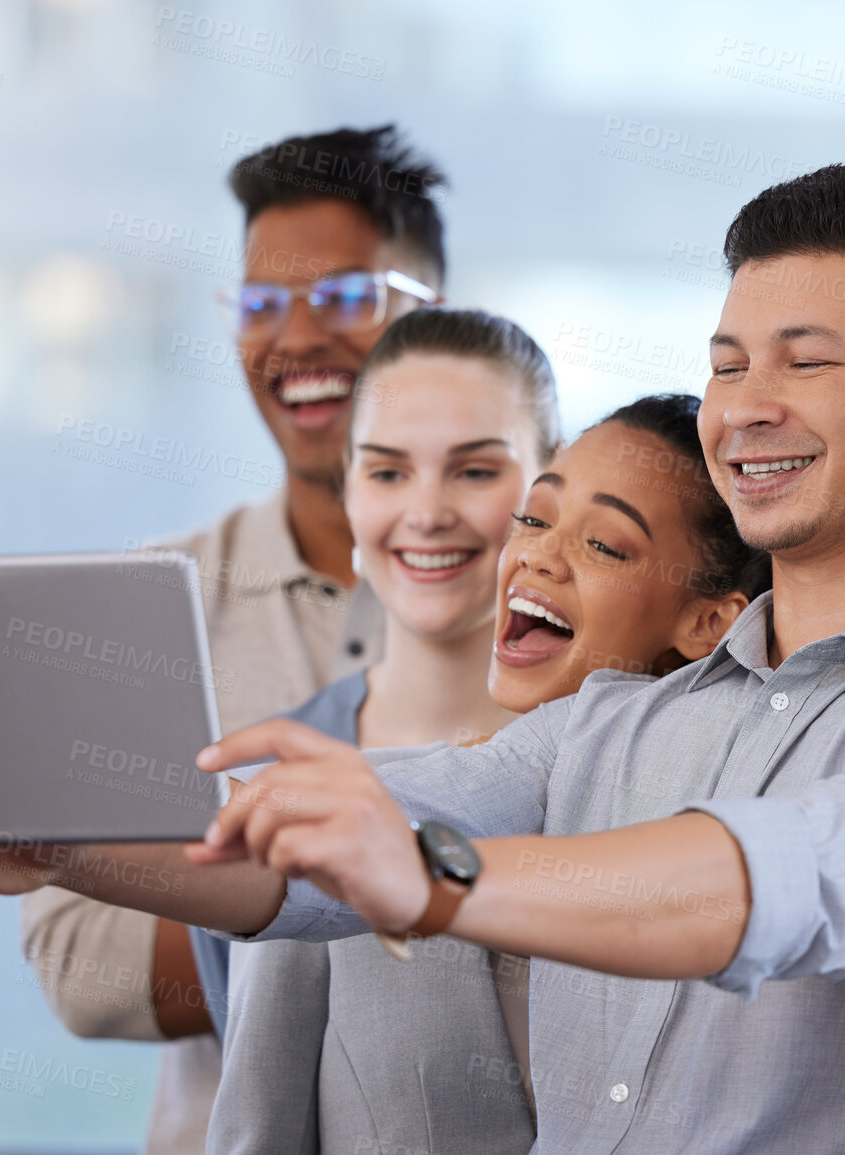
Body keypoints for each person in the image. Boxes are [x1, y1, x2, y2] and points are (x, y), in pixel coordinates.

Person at [0, 163, 845, 1152]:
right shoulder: (617, 720)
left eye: (806, 360)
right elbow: (305, 859)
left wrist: (432, 878)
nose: (745, 407)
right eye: (728, 364)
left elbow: (802, 879)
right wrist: (48, 838)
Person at [19, 125, 446, 1155]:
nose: (294, 338)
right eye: (260, 305)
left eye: (343, 298)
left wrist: (248, 898)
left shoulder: (544, 579)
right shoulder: (150, 605)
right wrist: (393, 908)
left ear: (437, 317)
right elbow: (82, 963)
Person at [213, 390, 768, 1152]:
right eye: (535, 519)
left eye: (603, 545)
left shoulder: (739, 871)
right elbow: (257, 1125)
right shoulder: (359, 817)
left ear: (710, 622)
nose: (537, 554)